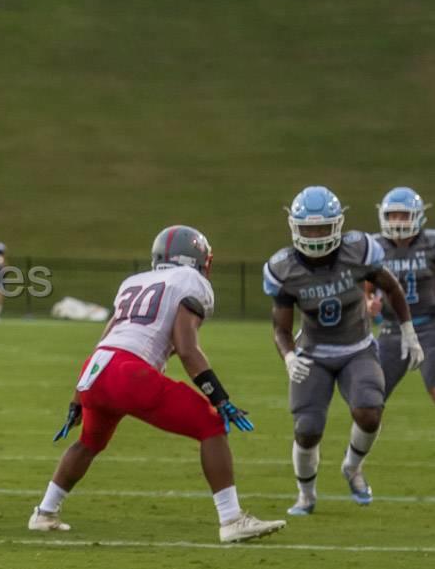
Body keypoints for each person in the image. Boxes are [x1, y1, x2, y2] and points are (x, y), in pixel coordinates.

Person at [29, 226, 286, 543]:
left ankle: (45, 512)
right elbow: (187, 347)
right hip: (129, 372)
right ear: (198, 260)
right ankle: (232, 519)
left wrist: (77, 397)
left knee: (89, 441)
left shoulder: (133, 281)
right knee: (211, 424)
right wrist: (220, 398)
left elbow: (106, 339)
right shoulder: (191, 282)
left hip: (97, 369)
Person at [263, 186, 422, 515]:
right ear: (295, 227)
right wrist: (289, 356)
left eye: (324, 228)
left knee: (369, 410)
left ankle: (352, 467)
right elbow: (280, 327)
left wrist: (408, 331)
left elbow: (390, 287)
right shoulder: (284, 268)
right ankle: (306, 496)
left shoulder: (358, 250)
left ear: (338, 225)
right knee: (306, 430)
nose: (318, 236)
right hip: (313, 352)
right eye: (310, 229)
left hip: (357, 348)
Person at [369, 188, 435, 410]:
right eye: (393, 215)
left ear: (417, 216)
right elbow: (365, 287)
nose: (397, 221)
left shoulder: (432, 244)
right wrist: (368, 302)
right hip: (392, 329)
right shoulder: (375, 247)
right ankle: (356, 446)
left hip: (430, 327)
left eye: (403, 215)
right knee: (370, 399)